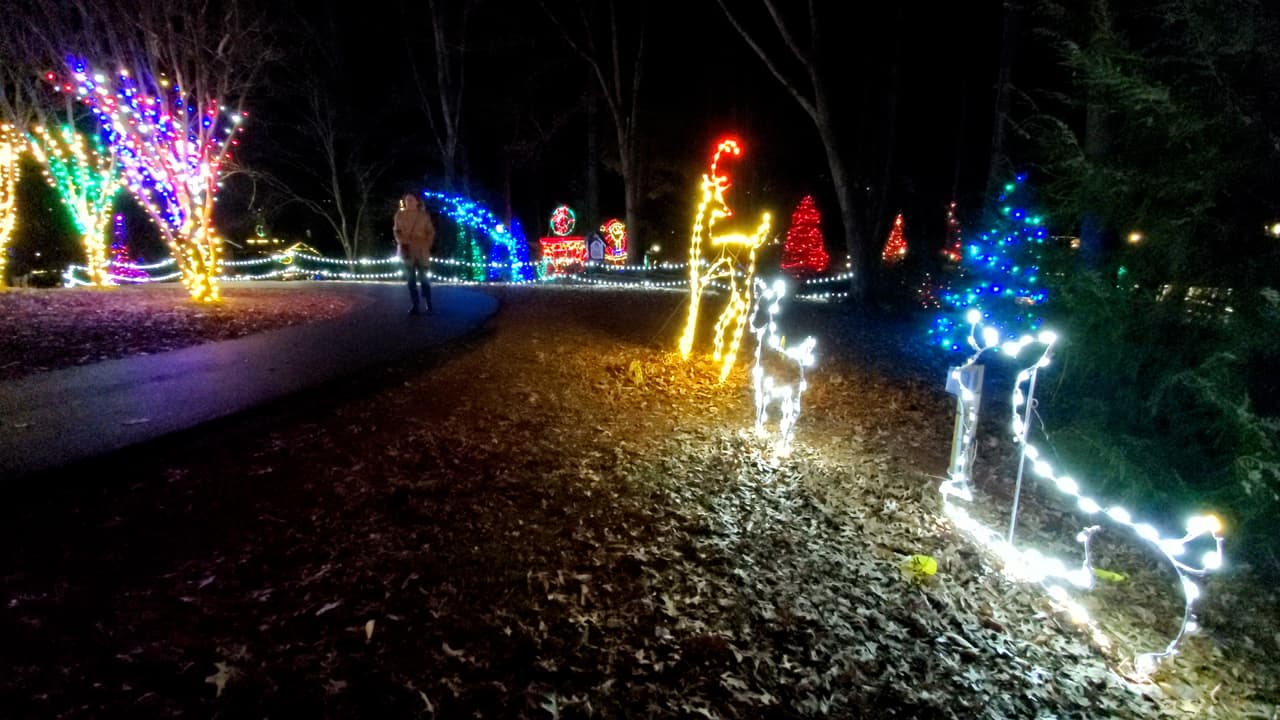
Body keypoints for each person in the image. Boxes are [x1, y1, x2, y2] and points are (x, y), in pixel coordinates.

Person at [394, 193, 436, 315]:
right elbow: (396, 231)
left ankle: (428, 301)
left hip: (422, 250)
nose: (409, 202)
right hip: (407, 250)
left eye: (411, 200)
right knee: (410, 279)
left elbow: (430, 232)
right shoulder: (399, 215)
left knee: (424, 278)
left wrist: (426, 244)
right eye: (407, 200)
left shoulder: (423, 216)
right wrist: (402, 241)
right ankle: (415, 304)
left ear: (417, 201)